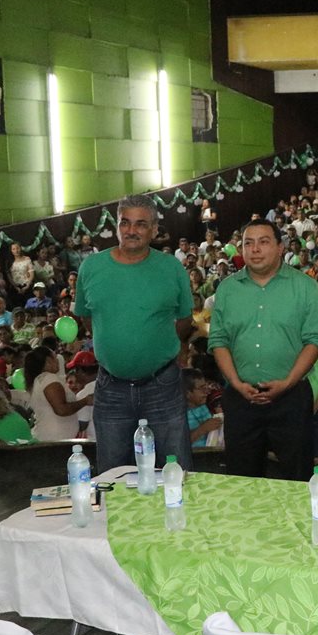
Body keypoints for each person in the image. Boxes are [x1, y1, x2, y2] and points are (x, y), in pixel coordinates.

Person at [77, 194, 194, 471]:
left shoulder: (172, 268)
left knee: (176, 469)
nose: (131, 230)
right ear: (117, 226)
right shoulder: (91, 268)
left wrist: (151, 347)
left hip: (162, 386)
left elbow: (184, 321)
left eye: (141, 224)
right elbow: (86, 318)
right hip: (110, 388)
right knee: (113, 474)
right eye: (125, 223)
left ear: (154, 229)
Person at [210, 219, 318, 480]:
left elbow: (315, 340)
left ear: (280, 247)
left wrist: (287, 382)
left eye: (263, 242)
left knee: (297, 478)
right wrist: (237, 383)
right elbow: (218, 340)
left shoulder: (305, 287)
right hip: (241, 398)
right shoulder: (228, 289)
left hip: (291, 398)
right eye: (248, 243)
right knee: (242, 479)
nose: (255, 249)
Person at [24, 346, 91, 441]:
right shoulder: (49, 379)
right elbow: (61, 410)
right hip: (54, 438)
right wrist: (85, 401)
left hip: (53, 436)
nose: (58, 361)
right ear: (48, 360)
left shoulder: (40, 380)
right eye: (55, 357)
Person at [183, 367, 222, 448]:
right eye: (201, 389)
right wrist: (203, 429)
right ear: (187, 393)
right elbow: (179, 443)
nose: (206, 392)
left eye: (206, 387)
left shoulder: (203, 407)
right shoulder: (180, 415)